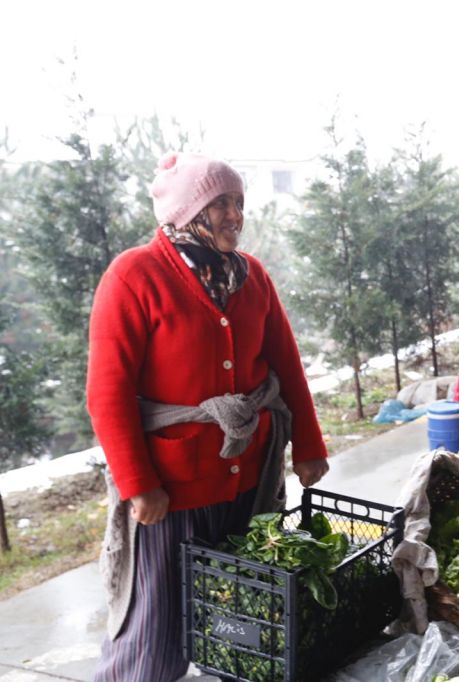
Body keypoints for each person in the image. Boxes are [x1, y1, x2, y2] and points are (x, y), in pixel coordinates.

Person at [86, 152, 329, 682]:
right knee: (152, 636)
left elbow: (286, 364)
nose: (234, 215)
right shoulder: (134, 275)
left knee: (238, 621)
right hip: (172, 492)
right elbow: (107, 393)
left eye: (238, 202)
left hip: (248, 479)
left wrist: (309, 446)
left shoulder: (251, 275)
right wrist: (138, 484)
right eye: (219, 203)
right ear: (187, 210)